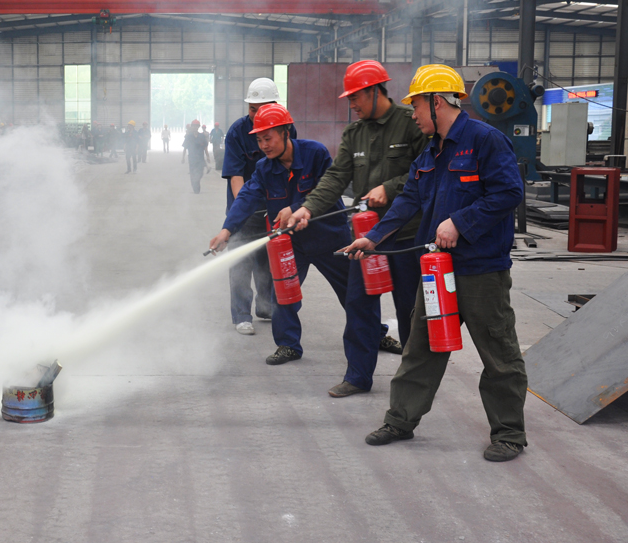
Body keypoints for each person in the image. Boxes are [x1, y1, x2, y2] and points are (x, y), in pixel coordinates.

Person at [341, 64, 527, 463]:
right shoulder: (431, 151)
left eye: (417, 106)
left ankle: (509, 433)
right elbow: (409, 198)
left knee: (498, 352)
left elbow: (509, 192)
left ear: (437, 102)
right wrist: (374, 238)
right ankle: (400, 420)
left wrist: (460, 222)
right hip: (438, 270)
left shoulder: (484, 140)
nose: (413, 114)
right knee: (421, 349)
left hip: (480, 270)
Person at [288, 61, 428, 398]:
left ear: (375, 91)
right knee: (358, 305)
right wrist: (308, 207)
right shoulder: (354, 133)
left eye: (355, 97)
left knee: (409, 310)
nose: (351, 104)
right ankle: (358, 376)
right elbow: (336, 176)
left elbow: (425, 171)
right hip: (366, 237)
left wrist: (389, 188)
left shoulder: (409, 124)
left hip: (405, 236)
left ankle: (414, 380)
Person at [209, 105, 352, 364]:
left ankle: (375, 334)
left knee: (353, 291)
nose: (263, 145)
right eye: (259, 140)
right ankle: (288, 345)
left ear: (286, 132)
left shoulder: (315, 153)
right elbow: (246, 198)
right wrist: (226, 230)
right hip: (294, 244)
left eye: (268, 138)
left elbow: (329, 190)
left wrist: (296, 208)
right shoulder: (264, 168)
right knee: (282, 293)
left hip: (330, 237)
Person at [221, 78, 295, 335]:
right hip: (245, 206)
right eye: (252, 109)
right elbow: (236, 176)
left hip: (275, 208)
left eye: (261, 109)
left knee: (268, 260)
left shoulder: (286, 128)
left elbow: (290, 169)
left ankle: (265, 307)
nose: (255, 115)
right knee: (240, 261)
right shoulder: (237, 132)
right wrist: (243, 210)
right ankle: (242, 314)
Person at [181, 119, 209, 193]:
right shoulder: (188, 136)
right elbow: (185, 147)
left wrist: (208, 156)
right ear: (192, 126)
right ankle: (195, 187)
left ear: (198, 127)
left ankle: (196, 181)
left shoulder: (202, 136)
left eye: (197, 126)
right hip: (192, 158)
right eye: (194, 126)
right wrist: (183, 158)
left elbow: (205, 147)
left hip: (200, 158)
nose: (195, 127)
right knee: (193, 173)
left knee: (200, 173)